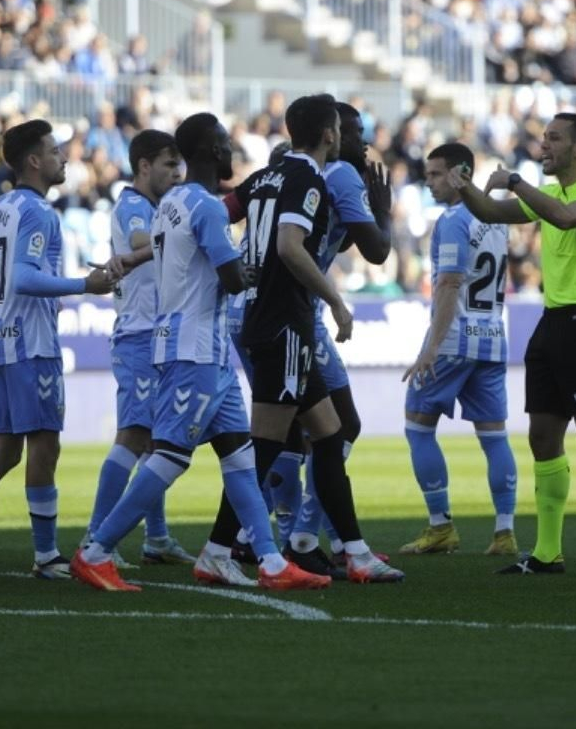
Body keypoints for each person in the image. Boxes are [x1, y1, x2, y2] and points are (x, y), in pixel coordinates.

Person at [71, 113, 325, 593]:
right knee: (168, 455)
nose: (232, 152)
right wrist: (249, 272)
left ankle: (268, 561)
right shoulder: (205, 207)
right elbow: (229, 277)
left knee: (239, 454)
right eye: (226, 143)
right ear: (211, 150)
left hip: (202, 349)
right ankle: (96, 551)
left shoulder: (171, 203)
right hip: (193, 348)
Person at [449, 113, 576, 578]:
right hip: (552, 324)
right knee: (543, 438)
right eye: (543, 138)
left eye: (553, 139)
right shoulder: (554, 195)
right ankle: (547, 554)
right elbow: (491, 212)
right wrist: (463, 187)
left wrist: (517, 182)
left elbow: (566, 220)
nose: (544, 145)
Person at [214, 94, 402, 584]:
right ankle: (224, 546)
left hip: (271, 318)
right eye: (347, 128)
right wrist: (336, 301)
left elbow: (214, 214)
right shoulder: (311, 178)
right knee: (266, 446)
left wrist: (144, 252)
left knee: (330, 432)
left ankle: (351, 551)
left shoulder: (265, 175)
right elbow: (290, 247)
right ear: (330, 134)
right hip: (284, 321)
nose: (352, 138)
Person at [0, 121, 114, 581]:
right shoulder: (39, 213)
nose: (64, 158)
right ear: (34, 161)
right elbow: (23, 278)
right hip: (31, 343)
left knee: (7, 448)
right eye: (54, 151)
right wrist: (85, 285)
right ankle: (47, 556)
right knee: (45, 445)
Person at [399, 142, 518, 557]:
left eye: (435, 174)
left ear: (460, 173)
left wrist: (430, 348)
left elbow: (449, 283)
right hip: (493, 339)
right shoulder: (496, 218)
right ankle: (504, 532)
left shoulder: (453, 220)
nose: (428, 182)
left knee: (417, 426)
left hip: (454, 340)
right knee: (494, 436)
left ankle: (440, 526)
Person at [84, 129, 197, 568]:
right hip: (138, 335)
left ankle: (157, 538)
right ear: (145, 166)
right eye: (169, 165)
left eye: (179, 164)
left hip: (156, 333)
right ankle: (95, 537)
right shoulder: (133, 205)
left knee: (155, 439)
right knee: (133, 435)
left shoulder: (154, 207)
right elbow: (136, 245)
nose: (177, 173)